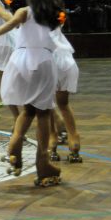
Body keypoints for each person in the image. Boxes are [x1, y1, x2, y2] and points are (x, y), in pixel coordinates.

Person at [0, 0, 64, 187]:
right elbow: (58, 30)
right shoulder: (57, 14)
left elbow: (7, 26)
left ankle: (14, 148)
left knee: (27, 110)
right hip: (43, 61)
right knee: (43, 113)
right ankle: (42, 164)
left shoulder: (24, 12)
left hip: (19, 62)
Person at [47, 27, 82, 164]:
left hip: (49, 63)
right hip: (67, 63)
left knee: (46, 103)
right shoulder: (55, 14)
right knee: (63, 104)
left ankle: (52, 139)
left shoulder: (32, 17)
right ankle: (74, 142)